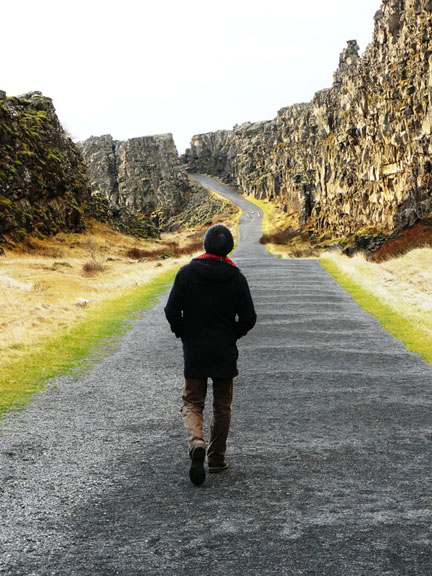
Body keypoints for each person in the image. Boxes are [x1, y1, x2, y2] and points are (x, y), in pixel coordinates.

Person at [164, 224, 256, 486]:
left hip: (195, 350)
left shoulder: (186, 273)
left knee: (192, 402)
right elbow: (249, 318)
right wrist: (233, 334)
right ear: (229, 248)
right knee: (222, 406)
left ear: (205, 245)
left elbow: (171, 310)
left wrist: (183, 332)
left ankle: (196, 443)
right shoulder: (236, 278)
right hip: (224, 350)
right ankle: (216, 458)